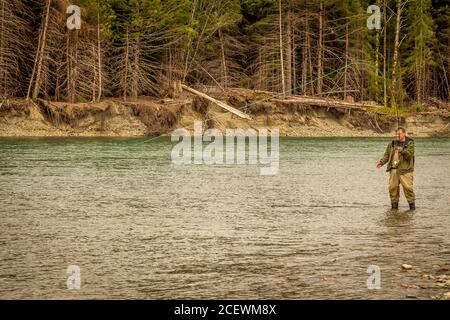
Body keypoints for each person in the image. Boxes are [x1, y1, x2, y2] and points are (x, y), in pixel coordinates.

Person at [376, 127, 416, 210]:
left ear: (404, 133)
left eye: (399, 134)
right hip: (394, 169)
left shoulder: (410, 143)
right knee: (392, 188)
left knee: (408, 189)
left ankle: (412, 208)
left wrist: (402, 151)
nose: (397, 135)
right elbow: (387, 155)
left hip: (405, 171)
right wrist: (381, 162)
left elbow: (409, 156)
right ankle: (394, 208)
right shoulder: (392, 143)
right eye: (397, 134)